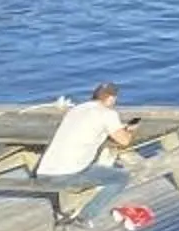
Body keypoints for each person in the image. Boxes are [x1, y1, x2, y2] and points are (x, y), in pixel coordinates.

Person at [37, 81, 141, 221]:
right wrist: (129, 130)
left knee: (92, 166)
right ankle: (85, 217)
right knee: (121, 178)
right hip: (66, 174)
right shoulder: (107, 114)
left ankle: (72, 207)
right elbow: (124, 141)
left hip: (43, 172)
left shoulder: (76, 109)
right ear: (111, 99)